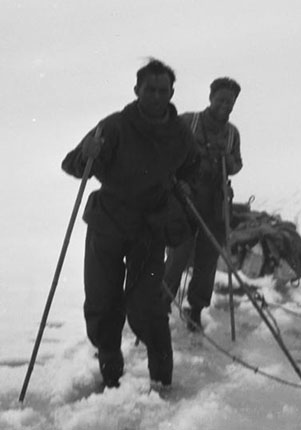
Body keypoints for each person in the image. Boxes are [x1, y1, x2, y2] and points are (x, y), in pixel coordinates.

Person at [61, 59, 198, 389]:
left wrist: (185, 186)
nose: (155, 96)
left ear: (171, 93)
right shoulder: (114, 127)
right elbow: (73, 165)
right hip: (107, 224)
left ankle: (162, 381)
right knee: (102, 301)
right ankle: (111, 373)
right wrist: (86, 154)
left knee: (147, 307)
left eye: (162, 91)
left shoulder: (179, 133)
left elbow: (191, 168)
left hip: (149, 230)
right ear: (136, 90)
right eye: (149, 89)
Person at [163, 77, 243, 331]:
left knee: (208, 259)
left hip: (214, 202)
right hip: (184, 199)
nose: (225, 105)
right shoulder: (188, 121)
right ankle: (161, 303)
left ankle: (195, 308)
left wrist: (229, 162)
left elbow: (238, 164)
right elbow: (166, 153)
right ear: (211, 98)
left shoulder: (232, 133)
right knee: (178, 254)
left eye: (229, 102)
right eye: (221, 99)